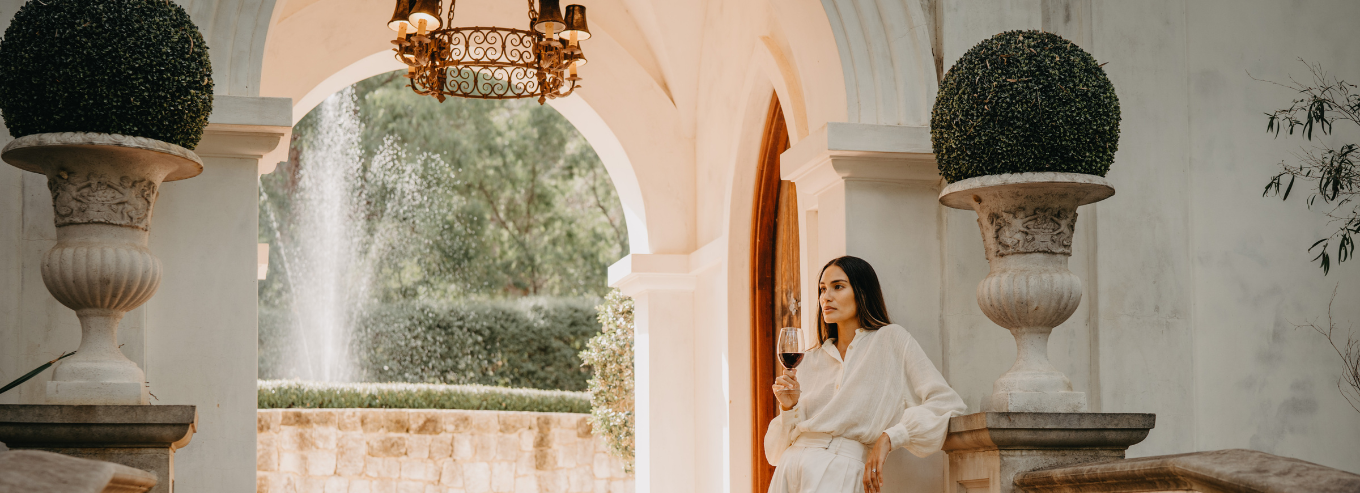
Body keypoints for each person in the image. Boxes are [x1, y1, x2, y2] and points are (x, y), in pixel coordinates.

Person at [765, 256, 966, 493]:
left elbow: (947, 404)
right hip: (789, 468)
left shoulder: (891, 340)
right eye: (822, 289)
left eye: (838, 287)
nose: (826, 297)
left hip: (841, 469)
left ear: (862, 292)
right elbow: (775, 454)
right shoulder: (809, 360)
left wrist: (890, 437)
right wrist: (788, 409)